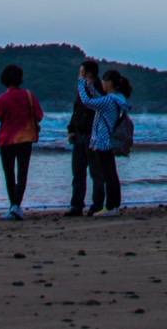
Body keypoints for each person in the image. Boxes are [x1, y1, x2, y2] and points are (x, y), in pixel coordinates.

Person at [78, 67, 133, 216]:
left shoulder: (110, 100)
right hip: (109, 140)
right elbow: (98, 100)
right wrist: (89, 85)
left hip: (104, 141)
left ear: (109, 83)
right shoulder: (117, 98)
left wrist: (81, 82)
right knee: (111, 174)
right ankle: (113, 206)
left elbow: (87, 101)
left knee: (108, 175)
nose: (102, 83)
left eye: (104, 81)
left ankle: (110, 207)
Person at [0, 64, 44, 220]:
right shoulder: (29, 95)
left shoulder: (1, 99)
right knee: (22, 173)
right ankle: (16, 206)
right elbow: (39, 115)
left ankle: (13, 206)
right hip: (25, 139)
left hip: (7, 139)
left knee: (9, 174)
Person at [65, 60, 100, 217]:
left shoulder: (97, 89)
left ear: (88, 73)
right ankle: (76, 205)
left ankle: (97, 204)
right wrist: (72, 129)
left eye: (81, 72)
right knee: (78, 172)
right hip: (80, 134)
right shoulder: (82, 90)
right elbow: (76, 110)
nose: (79, 75)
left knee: (95, 172)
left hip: (92, 135)